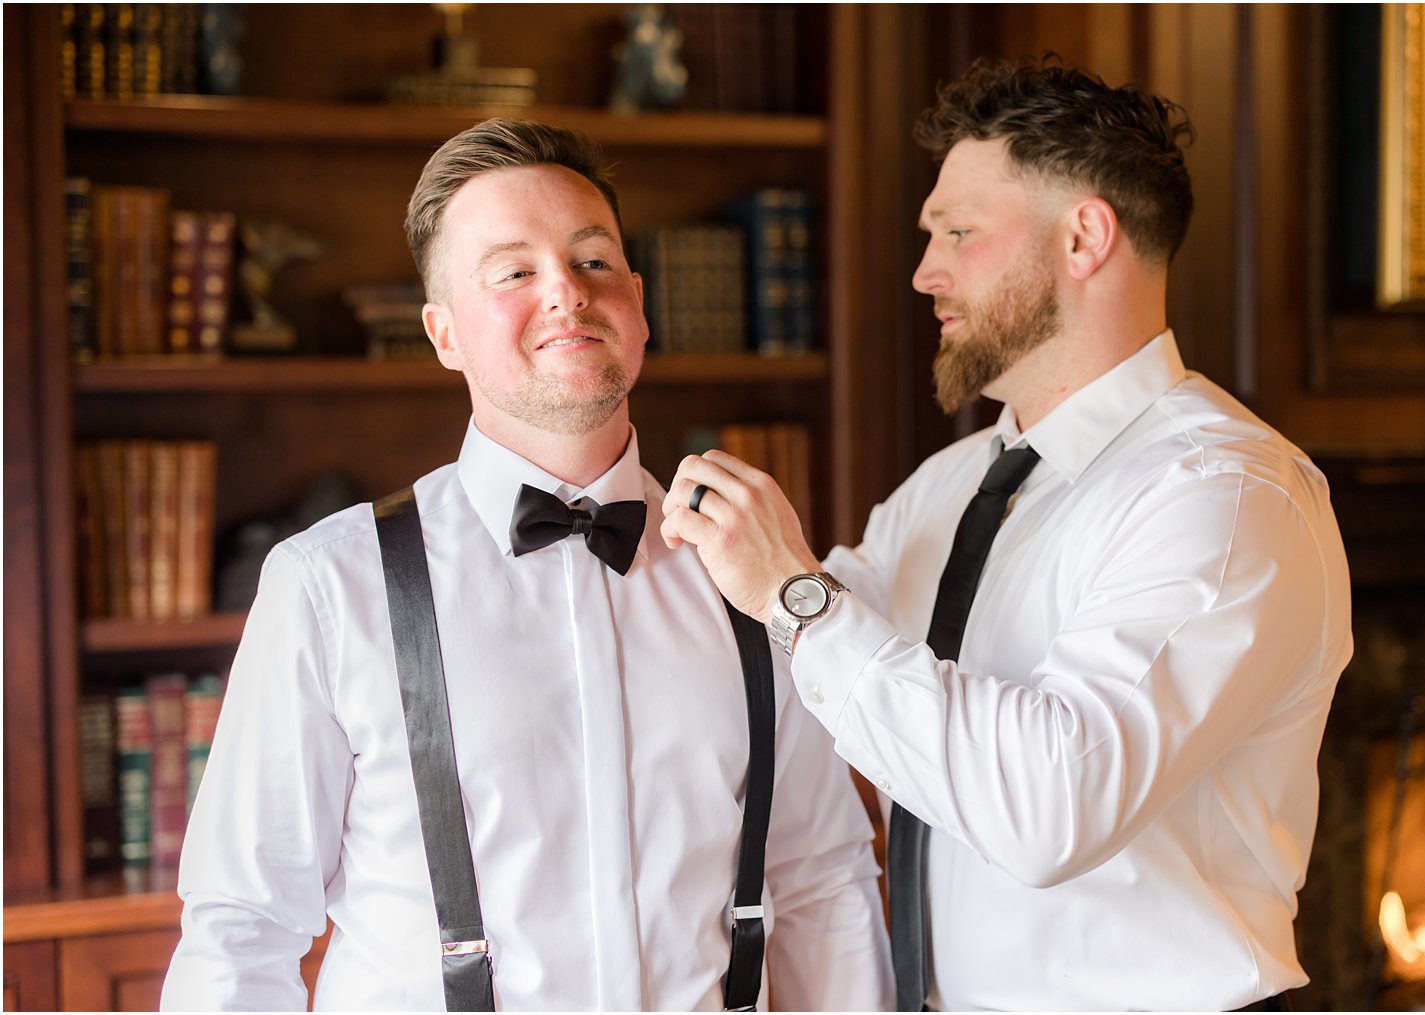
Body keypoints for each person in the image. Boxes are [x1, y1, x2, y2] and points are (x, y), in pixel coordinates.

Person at [660, 58, 1352, 1011]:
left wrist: (798, 595)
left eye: (957, 233)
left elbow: (1051, 807)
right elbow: (791, 668)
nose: (923, 271)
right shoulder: (947, 487)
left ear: (1084, 236)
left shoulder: (1228, 496)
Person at [161, 118, 892, 1011]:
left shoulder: (752, 568)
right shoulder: (328, 583)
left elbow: (823, 883)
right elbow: (243, 927)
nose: (566, 294)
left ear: (639, 304)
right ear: (444, 334)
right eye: (512, 271)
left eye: (594, 261)